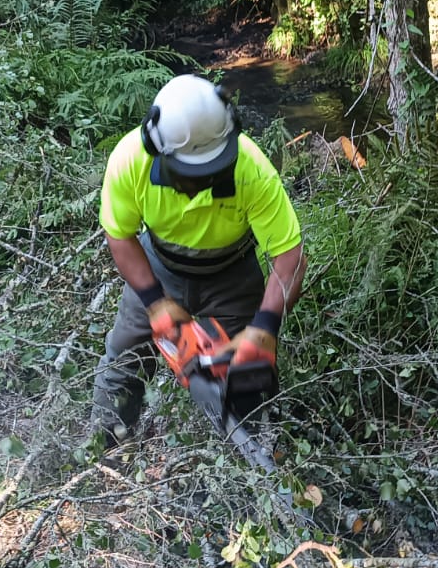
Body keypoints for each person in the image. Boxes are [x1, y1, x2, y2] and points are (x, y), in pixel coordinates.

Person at [91, 74, 306, 445]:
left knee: (248, 379)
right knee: (123, 363)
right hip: (158, 266)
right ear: (158, 149)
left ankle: (253, 465)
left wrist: (265, 327)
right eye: (193, 173)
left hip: (233, 275)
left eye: (212, 170)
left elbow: (290, 257)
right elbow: (120, 236)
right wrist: (155, 303)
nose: (203, 182)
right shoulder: (130, 162)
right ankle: (105, 451)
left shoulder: (251, 168)